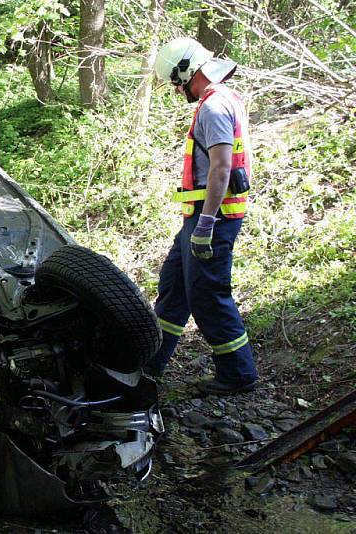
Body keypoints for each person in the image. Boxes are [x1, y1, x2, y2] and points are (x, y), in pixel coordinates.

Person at [146, 37, 259, 395]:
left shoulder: (212, 108)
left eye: (177, 83)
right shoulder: (223, 98)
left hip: (213, 218)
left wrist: (206, 225)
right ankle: (151, 364)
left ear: (186, 72)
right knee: (174, 286)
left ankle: (238, 374)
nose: (178, 90)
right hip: (199, 217)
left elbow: (222, 168)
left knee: (207, 293)